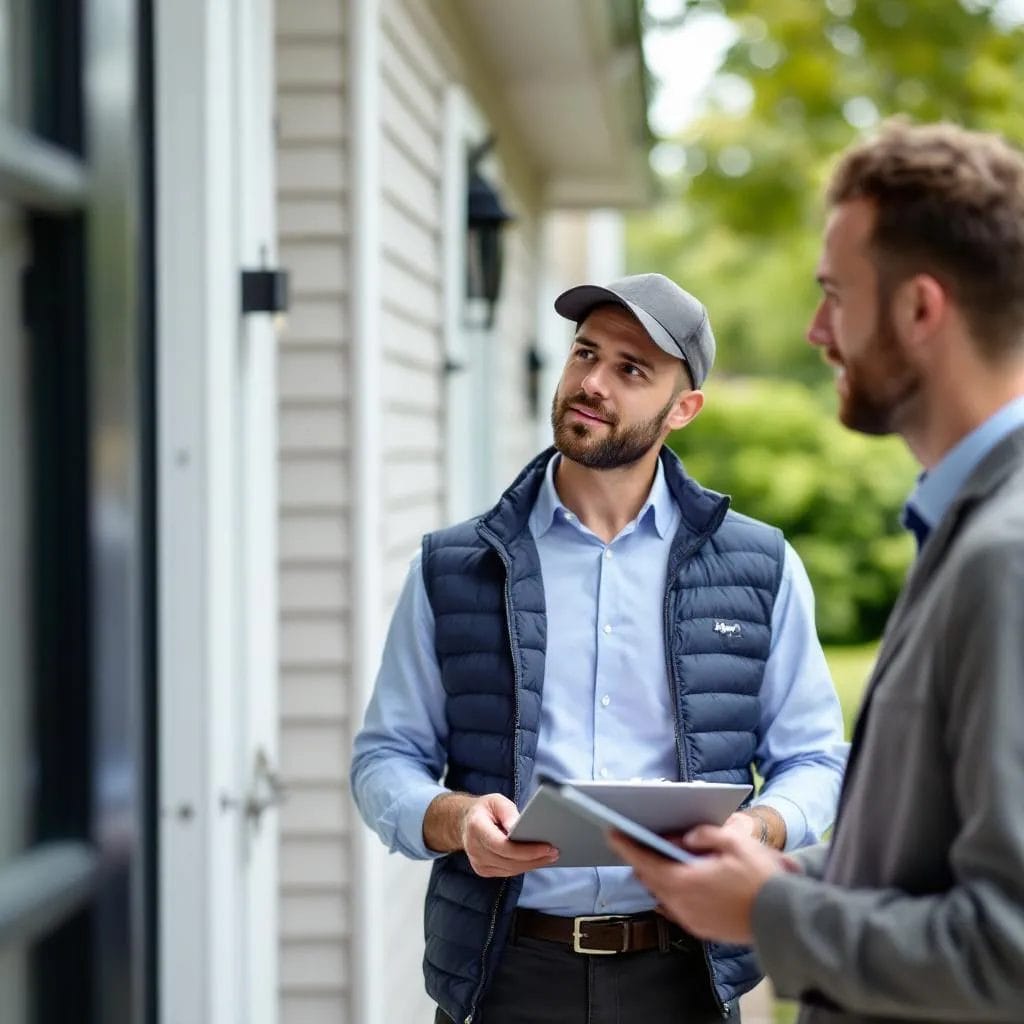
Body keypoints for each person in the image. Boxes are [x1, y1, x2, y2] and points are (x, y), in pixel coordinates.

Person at [609, 120, 1024, 1024]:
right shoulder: (964, 522)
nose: (816, 330)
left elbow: (1010, 950)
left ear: (920, 309)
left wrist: (770, 911)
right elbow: (928, 856)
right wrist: (777, 872)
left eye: (836, 294)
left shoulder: (1008, 558)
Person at [351, 272, 847, 1024]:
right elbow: (384, 758)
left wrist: (756, 827)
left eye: (631, 369)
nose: (592, 382)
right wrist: (454, 821)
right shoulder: (454, 566)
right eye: (585, 354)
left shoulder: (760, 567)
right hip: (503, 972)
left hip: (686, 978)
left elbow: (816, 760)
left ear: (684, 409)